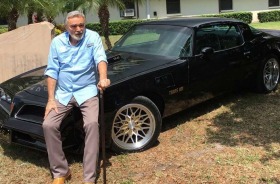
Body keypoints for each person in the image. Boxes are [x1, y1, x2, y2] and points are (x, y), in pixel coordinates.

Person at [42, 10, 110, 184]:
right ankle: (61, 172)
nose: (78, 29)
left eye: (81, 25)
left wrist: (102, 77)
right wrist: (50, 99)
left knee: (92, 125)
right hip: (63, 93)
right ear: (66, 27)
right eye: (74, 26)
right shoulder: (57, 42)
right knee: (48, 125)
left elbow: (100, 59)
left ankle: (89, 178)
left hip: (87, 91)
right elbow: (52, 71)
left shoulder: (92, 37)